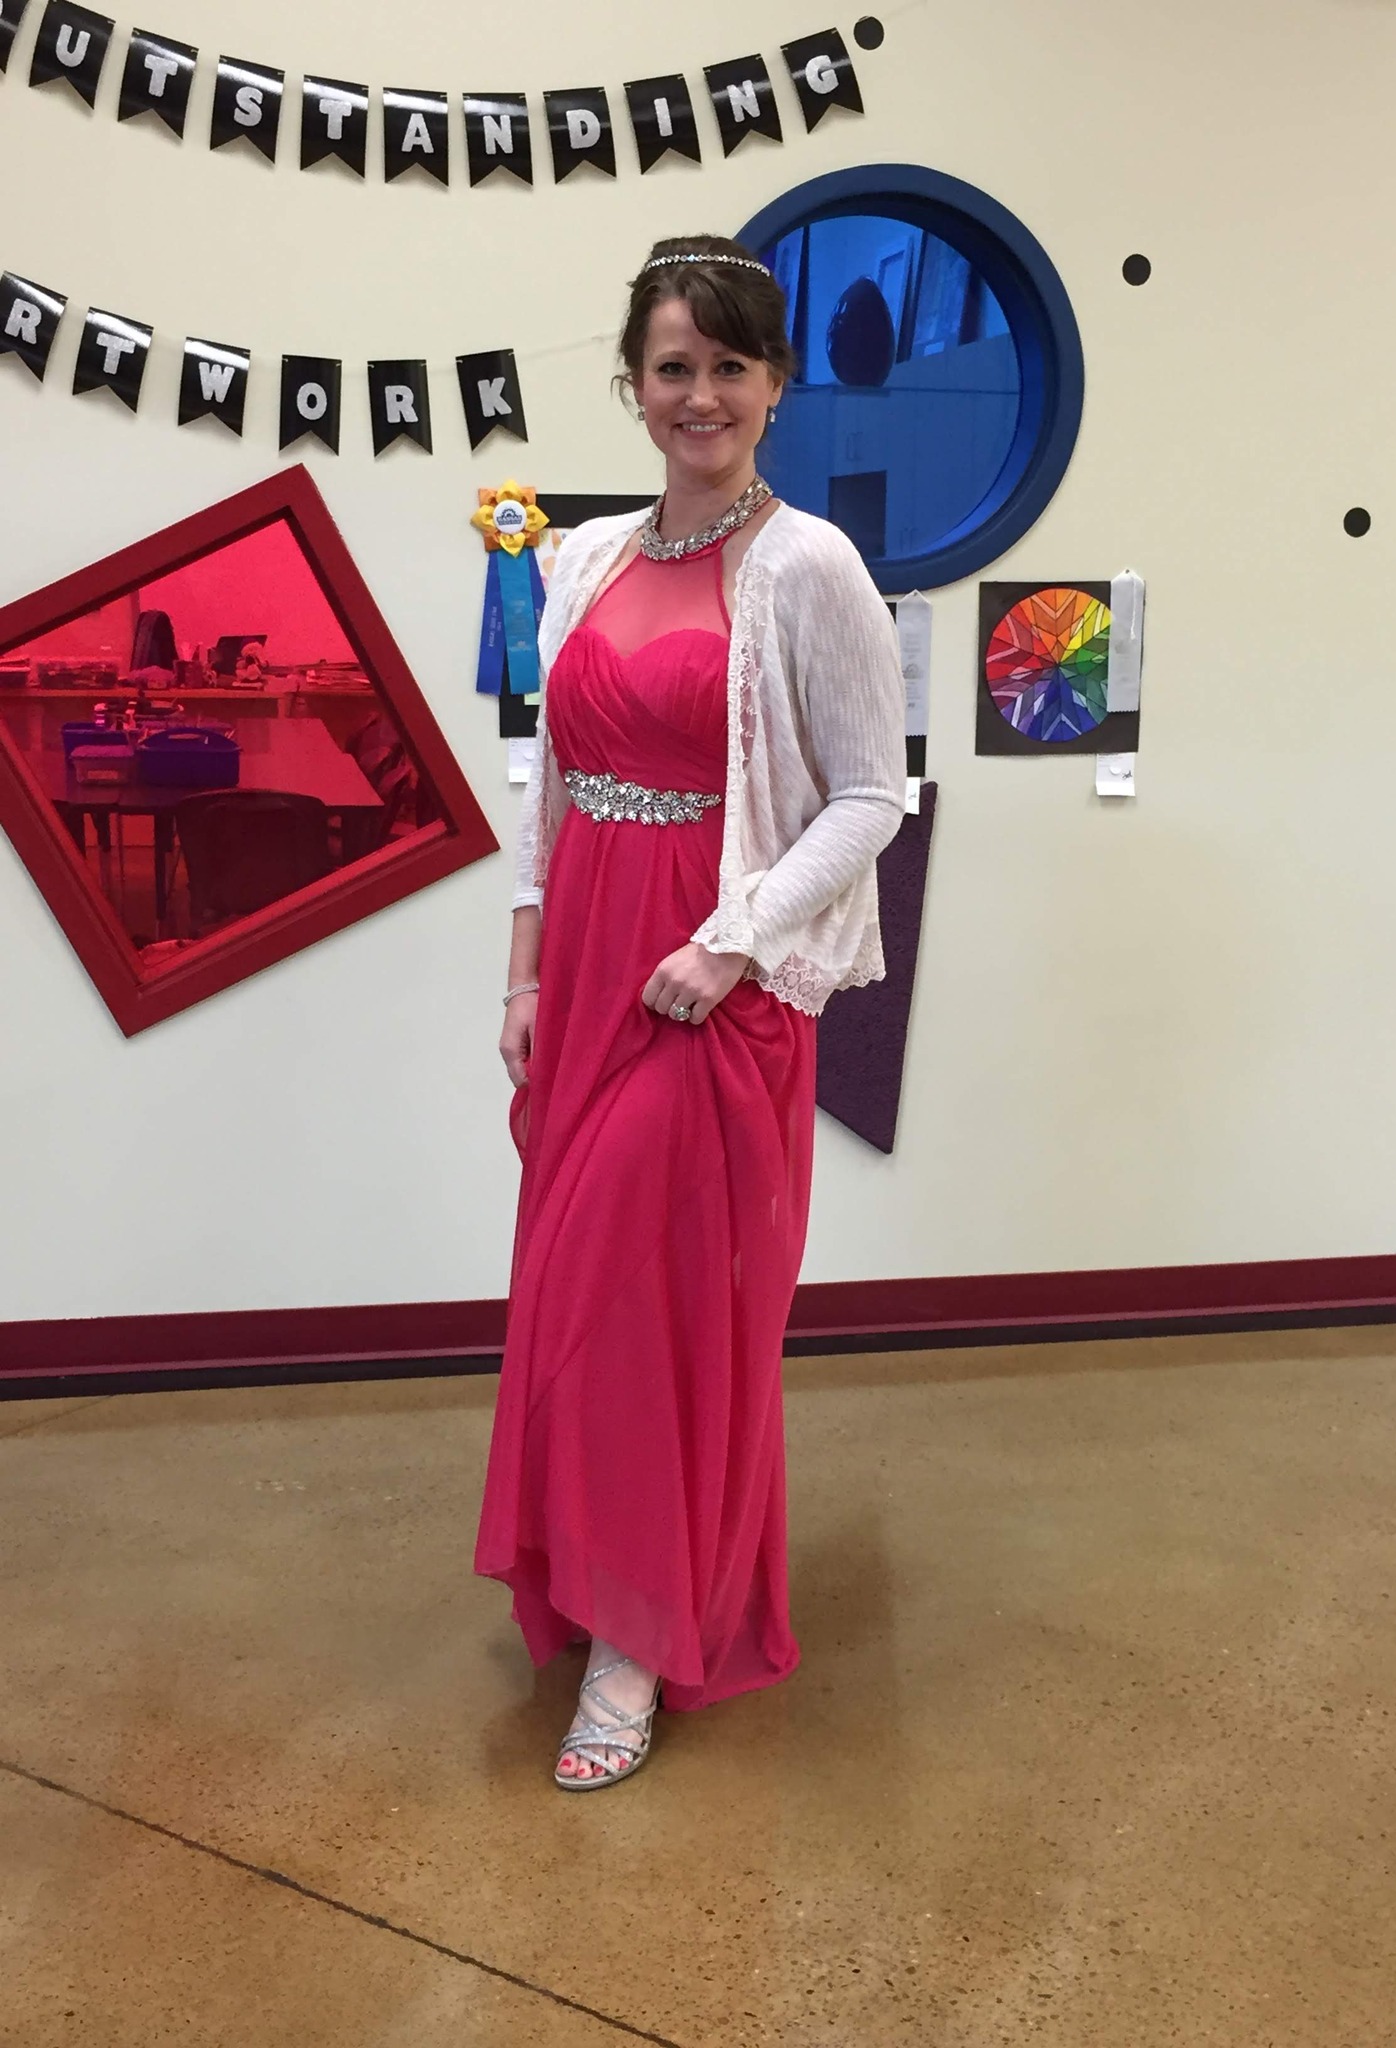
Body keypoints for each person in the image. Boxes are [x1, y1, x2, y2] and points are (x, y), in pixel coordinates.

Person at [474, 233, 908, 1790]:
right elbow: (545, 783)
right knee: (574, 1301)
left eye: (732, 364)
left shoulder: (810, 567)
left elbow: (874, 797)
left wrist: (730, 942)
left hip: (709, 991)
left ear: (777, 386)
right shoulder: (583, 558)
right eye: (675, 365)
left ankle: (637, 1642)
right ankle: (595, 1578)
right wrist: (524, 969)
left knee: (644, 1310)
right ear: (634, 385)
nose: (702, 393)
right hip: (590, 969)